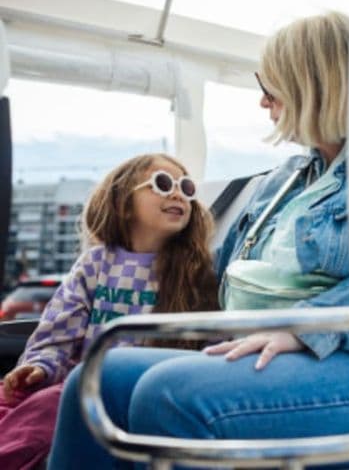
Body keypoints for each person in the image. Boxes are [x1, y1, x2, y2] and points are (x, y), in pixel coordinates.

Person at [49, 12, 349, 468]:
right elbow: (218, 272)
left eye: (270, 87)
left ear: (312, 85)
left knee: (169, 394)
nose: (263, 103)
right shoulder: (285, 180)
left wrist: (299, 329)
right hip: (258, 352)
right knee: (96, 376)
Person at [0, 154, 218, 470]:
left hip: (147, 389)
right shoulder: (95, 264)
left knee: (46, 410)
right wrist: (40, 365)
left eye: (185, 187)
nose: (177, 194)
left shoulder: (196, 272)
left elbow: (209, 341)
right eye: (162, 183)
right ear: (124, 204)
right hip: (83, 384)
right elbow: (58, 330)